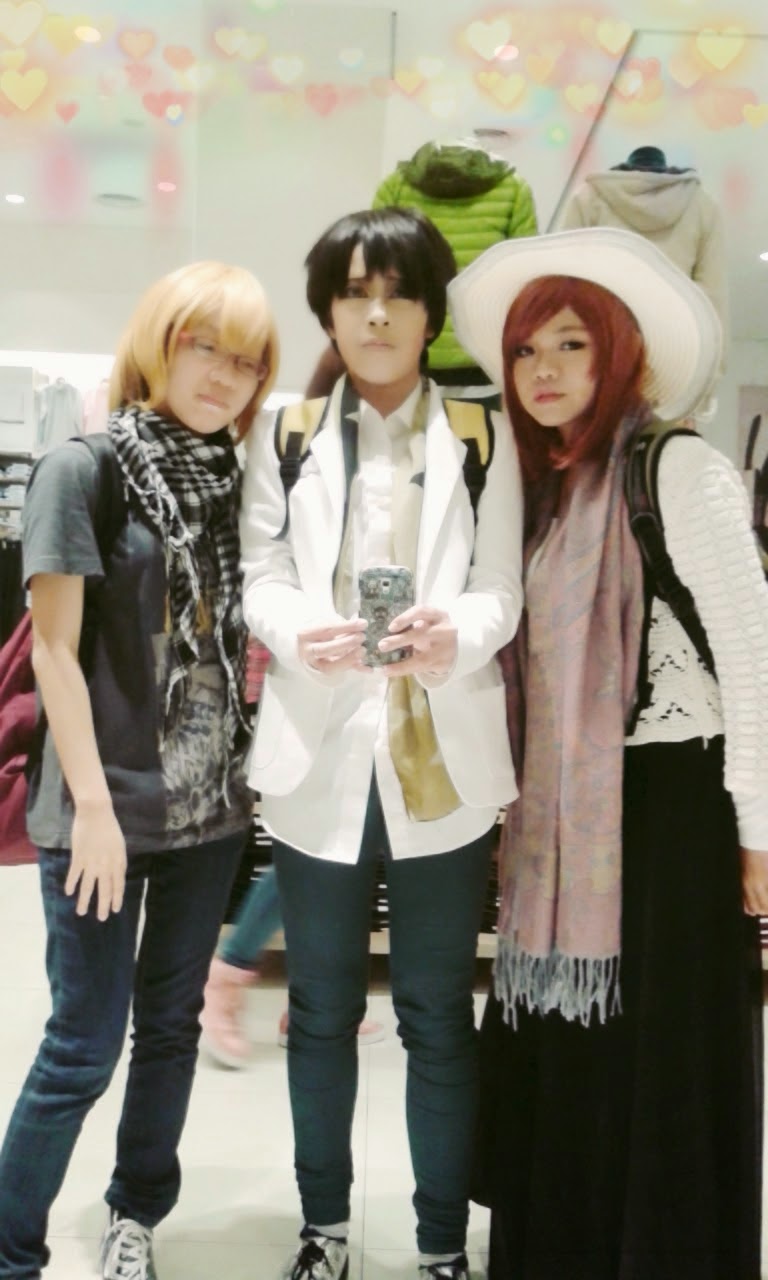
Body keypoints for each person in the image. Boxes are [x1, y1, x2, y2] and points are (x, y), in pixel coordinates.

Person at [448, 226, 768, 1280]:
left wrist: (760, 835)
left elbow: (755, 662)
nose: (542, 369)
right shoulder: (545, 487)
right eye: (526, 350)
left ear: (619, 349)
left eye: (570, 344)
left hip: (675, 816)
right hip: (566, 824)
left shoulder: (680, 468)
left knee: (661, 1067)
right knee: (573, 1061)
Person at [239, 207, 524, 1280]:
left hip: (442, 757)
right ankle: (325, 1230)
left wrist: (461, 633)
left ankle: (441, 1242)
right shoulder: (289, 430)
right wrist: (293, 630)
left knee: (437, 1012)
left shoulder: (482, 436)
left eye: (399, 294)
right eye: (355, 293)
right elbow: (262, 571)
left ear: (430, 313)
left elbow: (501, 585)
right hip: (318, 750)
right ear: (327, 310)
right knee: (318, 1010)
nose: (376, 314)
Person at [0, 260, 279, 1280]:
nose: (223, 376)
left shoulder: (240, 483)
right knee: (83, 1043)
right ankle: (12, 1248)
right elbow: (54, 651)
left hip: (210, 810)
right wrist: (94, 808)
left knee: (168, 1029)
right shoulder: (84, 468)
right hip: (101, 807)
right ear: (160, 342)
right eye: (205, 347)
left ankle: (135, 1214)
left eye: (246, 361)